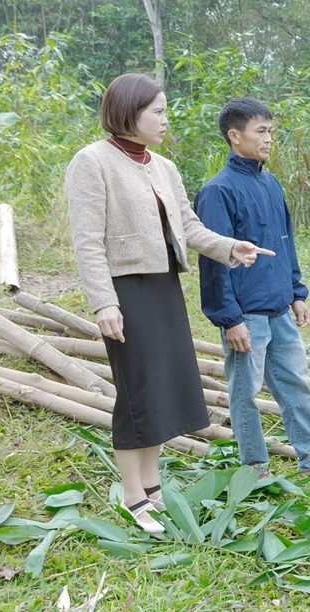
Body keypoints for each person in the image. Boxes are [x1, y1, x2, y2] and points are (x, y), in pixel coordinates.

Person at [66, 74, 274, 535]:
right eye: (157, 111)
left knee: (162, 387)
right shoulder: (92, 161)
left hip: (163, 286)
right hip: (125, 291)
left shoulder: (163, 166)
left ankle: (153, 486)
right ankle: (132, 496)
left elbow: (189, 226)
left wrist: (230, 247)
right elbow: (87, 241)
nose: (165, 120)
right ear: (129, 112)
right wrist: (104, 302)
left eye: (165, 111)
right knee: (137, 391)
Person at [194, 98, 310, 479]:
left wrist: (296, 293)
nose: (269, 139)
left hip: (279, 309)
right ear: (235, 136)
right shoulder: (217, 191)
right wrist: (229, 319)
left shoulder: (270, 182)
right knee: (245, 392)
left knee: (297, 385)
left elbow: (284, 242)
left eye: (271, 131)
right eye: (261, 131)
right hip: (245, 313)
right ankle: (254, 467)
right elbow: (213, 263)